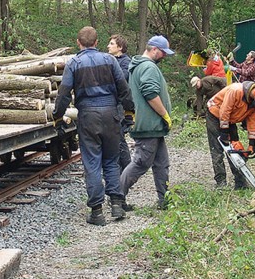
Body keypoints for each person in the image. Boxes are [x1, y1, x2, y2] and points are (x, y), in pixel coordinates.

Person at [53, 26, 133, 226]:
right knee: (111, 160)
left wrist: (57, 117)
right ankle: (116, 203)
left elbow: (63, 94)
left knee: (92, 162)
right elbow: (123, 88)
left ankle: (97, 211)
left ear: (78, 43)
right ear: (97, 43)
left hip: (88, 116)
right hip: (110, 115)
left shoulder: (74, 63)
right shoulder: (110, 60)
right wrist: (129, 113)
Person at [121, 35, 174, 210]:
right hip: (149, 125)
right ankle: (117, 197)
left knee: (161, 163)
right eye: (163, 53)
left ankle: (164, 200)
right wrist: (165, 114)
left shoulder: (139, 66)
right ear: (154, 49)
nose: (164, 56)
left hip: (154, 126)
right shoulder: (148, 67)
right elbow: (150, 94)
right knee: (141, 163)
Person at [205, 80, 255, 189]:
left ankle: (240, 182)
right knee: (218, 149)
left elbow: (253, 122)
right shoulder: (236, 91)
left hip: (230, 119)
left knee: (235, 148)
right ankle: (221, 182)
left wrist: (252, 142)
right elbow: (225, 110)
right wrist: (224, 132)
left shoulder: (254, 105)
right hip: (215, 113)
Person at [107, 33, 134, 172]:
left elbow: (121, 80)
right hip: (110, 105)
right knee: (114, 139)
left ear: (120, 47)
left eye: (111, 44)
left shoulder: (126, 63)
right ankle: (119, 170)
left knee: (119, 138)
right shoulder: (110, 60)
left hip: (120, 106)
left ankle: (128, 170)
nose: (108, 46)